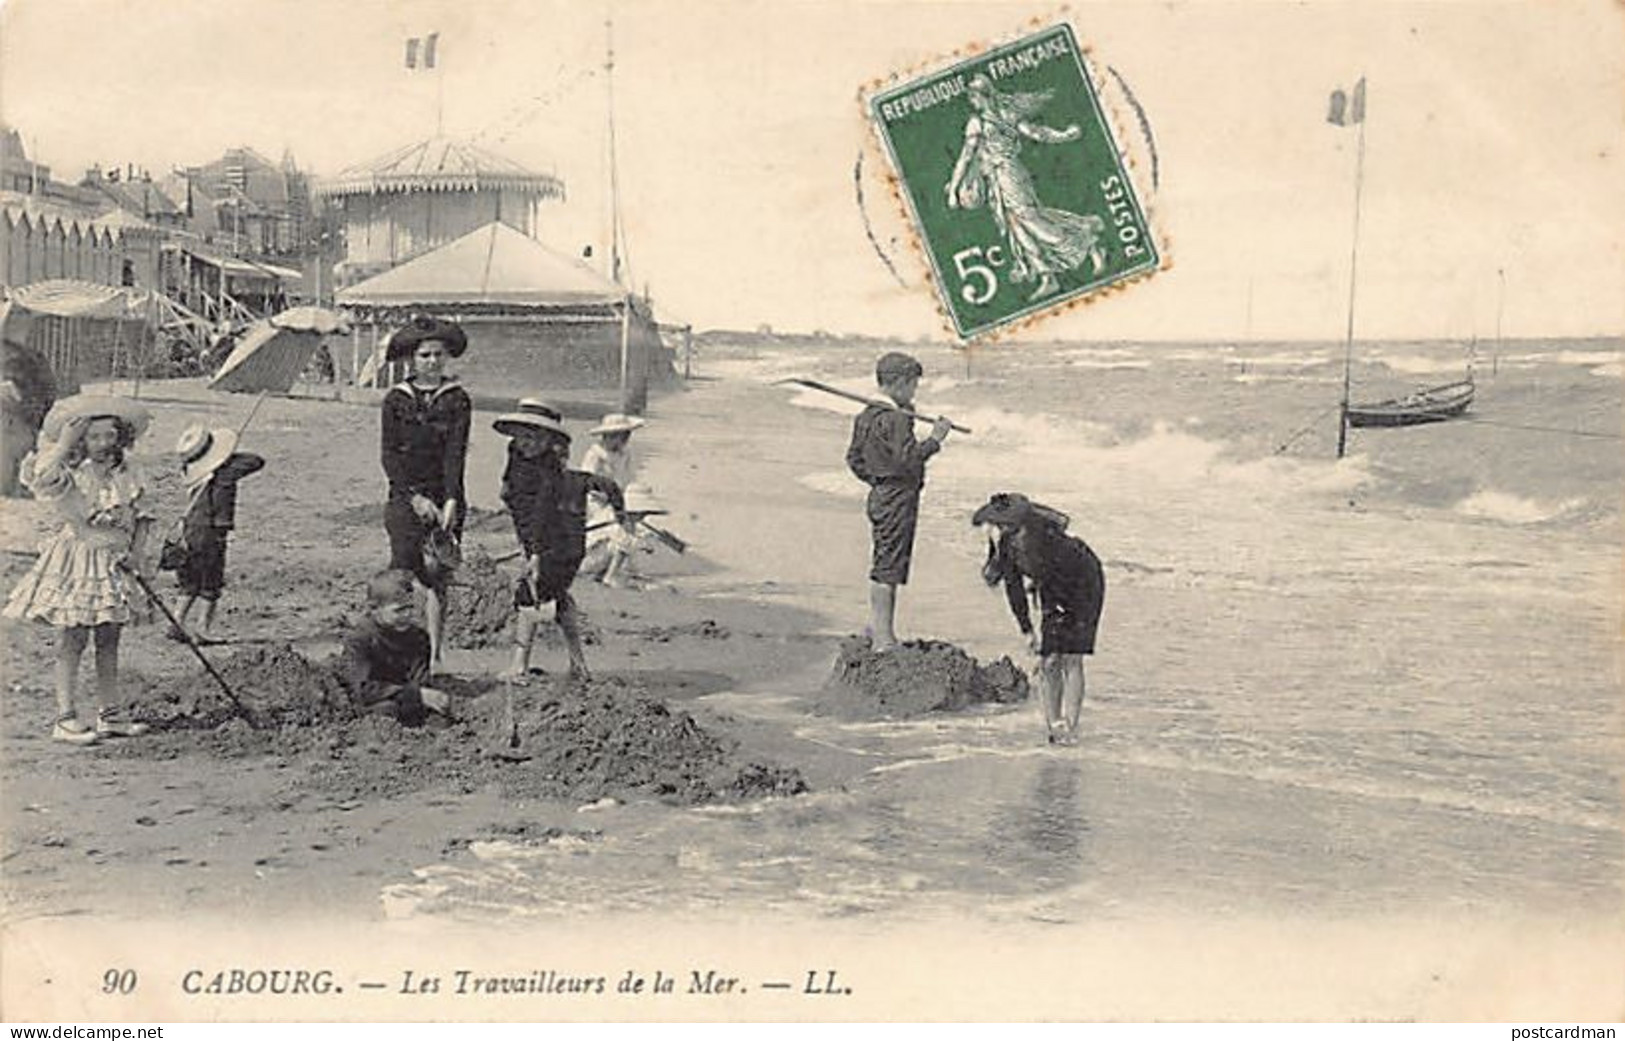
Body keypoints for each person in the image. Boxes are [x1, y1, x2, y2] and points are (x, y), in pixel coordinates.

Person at [3, 395, 156, 745]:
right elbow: (40, 476)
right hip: (79, 559)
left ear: (122, 437)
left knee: (109, 639)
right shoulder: (72, 472)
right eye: (94, 436)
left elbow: (143, 517)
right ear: (82, 440)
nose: (103, 444)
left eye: (110, 435)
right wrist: (65, 443)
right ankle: (65, 717)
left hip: (115, 560)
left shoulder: (129, 471)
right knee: (73, 639)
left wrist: (136, 554)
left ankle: (110, 714)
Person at [493, 400, 624, 681]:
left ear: (549, 440)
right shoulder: (516, 453)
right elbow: (508, 488)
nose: (527, 443)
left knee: (530, 597)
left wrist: (535, 554)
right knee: (559, 599)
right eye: (522, 436)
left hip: (556, 541)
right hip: (546, 539)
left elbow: (542, 514)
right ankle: (578, 665)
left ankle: (519, 666)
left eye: (535, 438)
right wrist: (509, 494)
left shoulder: (549, 472)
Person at [945, 74, 1107, 301]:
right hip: (999, 179)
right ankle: (1046, 276)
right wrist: (1063, 135)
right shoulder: (1006, 115)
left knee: (1032, 220)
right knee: (1017, 226)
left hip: (1008, 175)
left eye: (973, 97)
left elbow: (965, 157)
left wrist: (954, 189)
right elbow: (1036, 133)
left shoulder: (979, 123)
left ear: (981, 96)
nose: (972, 102)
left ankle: (1087, 244)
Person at [972, 492, 1106, 747]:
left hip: (1084, 581)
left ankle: (1071, 725)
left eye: (1007, 525)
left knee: (1070, 656)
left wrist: (1048, 628)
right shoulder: (1008, 544)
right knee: (1049, 660)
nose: (1003, 530)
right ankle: (1053, 727)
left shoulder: (1047, 540)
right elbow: (1014, 589)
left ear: (1022, 523)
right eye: (1000, 526)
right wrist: (1027, 631)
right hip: (1052, 586)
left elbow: (1054, 582)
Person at [379, 315, 471, 670]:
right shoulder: (395, 400)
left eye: (438, 355)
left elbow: (455, 453)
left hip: (445, 494)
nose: (432, 362)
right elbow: (389, 455)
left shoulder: (458, 399)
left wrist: (449, 500)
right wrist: (414, 498)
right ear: (411, 360)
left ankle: (434, 655)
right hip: (404, 495)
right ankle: (395, 650)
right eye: (425, 356)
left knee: (437, 576)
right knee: (402, 572)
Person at [845, 351, 953, 652]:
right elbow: (909, 458)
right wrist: (935, 439)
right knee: (888, 567)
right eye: (913, 384)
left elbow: (853, 459)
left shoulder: (867, 414)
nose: (914, 390)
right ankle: (882, 638)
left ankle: (877, 627)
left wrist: (878, 479)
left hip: (881, 495)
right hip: (897, 497)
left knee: (884, 560)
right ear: (900, 383)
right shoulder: (896, 419)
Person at [170, 424, 265, 644]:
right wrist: (227, 455)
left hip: (191, 526)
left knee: (190, 579)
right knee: (211, 581)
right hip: (211, 530)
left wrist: (218, 456)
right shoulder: (225, 474)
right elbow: (256, 461)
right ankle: (203, 629)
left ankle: (176, 621)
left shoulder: (190, 470)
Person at [336, 569, 453, 725]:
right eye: (399, 610)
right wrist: (416, 695)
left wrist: (428, 697)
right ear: (374, 609)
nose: (407, 615)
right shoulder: (361, 639)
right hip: (373, 702)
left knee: (439, 717)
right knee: (387, 711)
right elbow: (359, 690)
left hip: (406, 699)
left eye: (410, 608)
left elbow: (421, 680)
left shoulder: (418, 637)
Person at [579, 412, 644, 585]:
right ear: (609, 436)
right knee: (616, 530)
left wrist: (632, 499)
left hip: (619, 498)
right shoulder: (596, 454)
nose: (625, 439)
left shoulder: (625, 453)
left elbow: (629, 479)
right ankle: (610, 571)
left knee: (630, 526)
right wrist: (605, 497)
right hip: (598, 500)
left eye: (627, 435)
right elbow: (587, 480)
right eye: (622, 436)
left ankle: (623, 567)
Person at [580, 482, 667, 589]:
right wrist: (642, 544)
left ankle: (607, 574)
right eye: (642, 513)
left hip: (591, 559)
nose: (643, 516)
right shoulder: (614, 518)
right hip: (585, 561)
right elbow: (622, 540)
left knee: (625, 544)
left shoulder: (625, 521)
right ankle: (610, 577)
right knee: (623, 544)